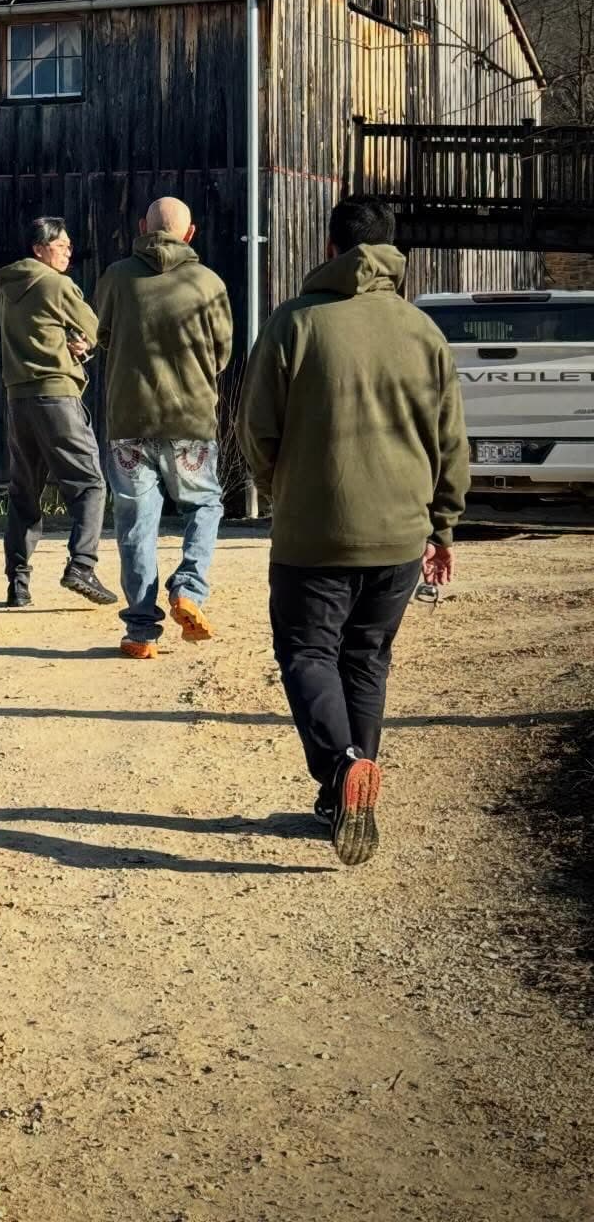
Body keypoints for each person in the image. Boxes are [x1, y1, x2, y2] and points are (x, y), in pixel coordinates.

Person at [237, 195, 469, 866]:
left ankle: (342, 772)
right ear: (392, 252)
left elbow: (258, 429)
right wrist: (444, 525)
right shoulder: (421, 332)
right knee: (366, 659)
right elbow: (451, 439)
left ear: (330, 245)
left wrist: (281, 482)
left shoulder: (294, 323)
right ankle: (349, 789)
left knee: (309, 654)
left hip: (315, 530)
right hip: (400, 533)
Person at [93, 196, 233, 659]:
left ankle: (140, 632)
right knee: (205, 504)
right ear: (189, 234)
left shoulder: (116, 277)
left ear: (142, 228)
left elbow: (103, 335)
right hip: (189, 418)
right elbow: (221, 353)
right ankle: (189, 588)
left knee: (136, 522)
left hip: (129, 419)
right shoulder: (208, 282)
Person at [0, 216, 117, 609]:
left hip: (18, 397)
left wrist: (65, 341)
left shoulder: (7, 286)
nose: (68, 250)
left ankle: (18, 582)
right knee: (90, 484)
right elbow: (97, 330)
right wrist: (82, 345)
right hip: (57, 394)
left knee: (24, 491)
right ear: (39, 248)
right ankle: (81, 564)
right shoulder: (58, 284)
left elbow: (37, 333)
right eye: (61, 244)